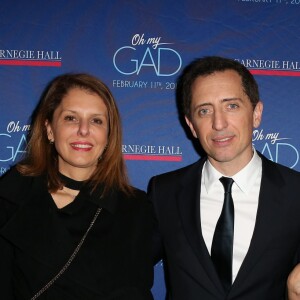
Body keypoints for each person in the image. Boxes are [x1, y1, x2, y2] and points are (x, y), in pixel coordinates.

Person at [149, 56, 300, 300]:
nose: (218, 123)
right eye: (204, 110)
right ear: (191, 125)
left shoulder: (296, 193)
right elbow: (126, 271)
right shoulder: (164, 191)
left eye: (232, 106)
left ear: (256, 113)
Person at [0, 73, 153, 300]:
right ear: (50, 129)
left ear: (109, 135)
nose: (84, 130)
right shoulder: (10, 196)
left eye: (96, 120)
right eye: (71, 118)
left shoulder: (135, 208)